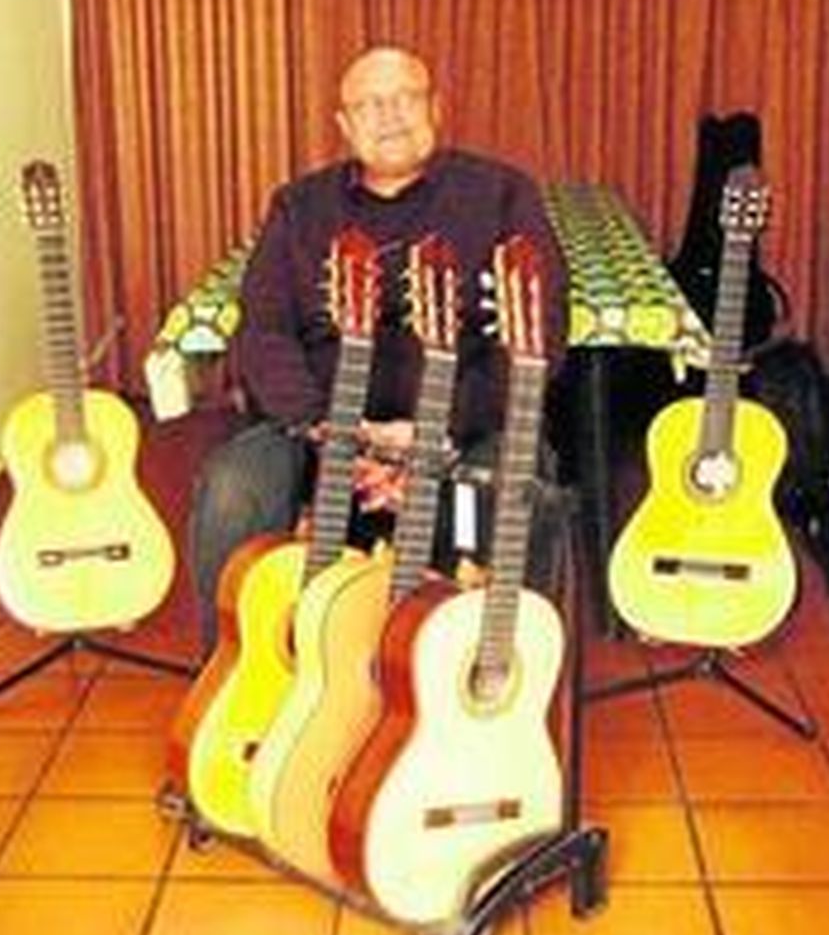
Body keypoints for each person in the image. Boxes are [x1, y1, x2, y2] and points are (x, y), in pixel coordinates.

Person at [186, 45, 567, 657]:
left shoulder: (502, 194)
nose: (388, 115)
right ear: (344, 124)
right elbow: (262, 332)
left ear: (436, 108)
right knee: (232, 487)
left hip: (463, 430)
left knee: (513, 493)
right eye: (368, 104)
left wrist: (438, 430)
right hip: (318, 428)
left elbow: (541, 333)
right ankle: (235, 671)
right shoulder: (299, 207)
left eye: (404, 98)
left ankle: (485, 674)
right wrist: (331, 431)